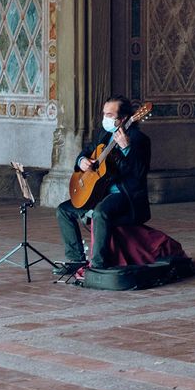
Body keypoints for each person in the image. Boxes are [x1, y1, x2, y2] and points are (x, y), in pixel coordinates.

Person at [56, 96, 151, 271]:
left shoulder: (139, 139)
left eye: (110, 114)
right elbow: (85, 151)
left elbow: (139, 174)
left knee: (100, 212)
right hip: (99, 192)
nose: (105, 118)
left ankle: (98, 265)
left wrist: (126, 149)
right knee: (64, 210)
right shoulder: (104, 133)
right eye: (104, 114)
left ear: (122, 119)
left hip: (123, 195)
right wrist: (82, 161)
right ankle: (76, 259)